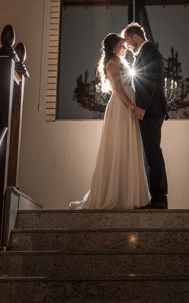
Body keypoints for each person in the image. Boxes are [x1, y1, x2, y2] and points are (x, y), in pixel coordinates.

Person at [70, 33, 151, 210]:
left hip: (128, 105)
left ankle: (128, 194)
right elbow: (119, 89)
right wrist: (131, 107)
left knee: (127, 147)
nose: (125, 48)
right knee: (118, 148)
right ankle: (116, 195)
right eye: (122, 45)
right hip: (121, 107)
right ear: (114, 47)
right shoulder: (113, 63)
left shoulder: (121, 62)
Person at [123, 22, 168, 209]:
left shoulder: (148, 51)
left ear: (136, 37)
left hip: (151, 110)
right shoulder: (145, 52)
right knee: (150, 153)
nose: (126, 46)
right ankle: (156, 197)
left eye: (127, 41)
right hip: (151, 110)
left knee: (153, 154)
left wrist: (142, 107)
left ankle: (159, 198)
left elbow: (148, 81)